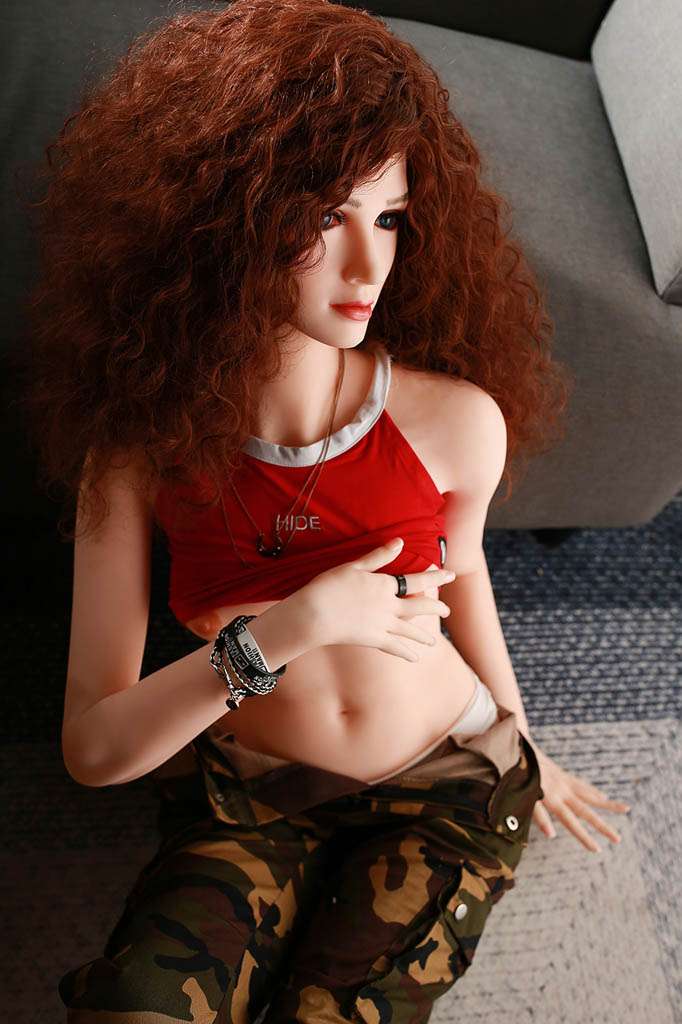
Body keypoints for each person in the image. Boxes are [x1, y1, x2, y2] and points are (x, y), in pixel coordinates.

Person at [18, 0, 629, 1020]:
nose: (368, 266)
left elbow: (465, 571)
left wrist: (523, 742)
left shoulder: (454, 423)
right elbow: (94, 748)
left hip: (446, 787)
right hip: (254, 797)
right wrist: (294, 625)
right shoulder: (136, 455)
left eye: (386, 217)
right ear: (222, 217)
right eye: (322, 218)